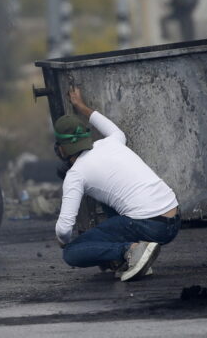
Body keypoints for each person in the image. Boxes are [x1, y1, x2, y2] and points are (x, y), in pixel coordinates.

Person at [54, 86, 180, 282]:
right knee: (105, 195)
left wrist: (63, 242)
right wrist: (81, 107)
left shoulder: (76, 174)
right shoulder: (113, 141)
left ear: (62, 149)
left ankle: (132, 251)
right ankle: (133, 258)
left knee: (71, 253)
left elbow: (63, 230)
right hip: (174, 218)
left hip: (149, 226)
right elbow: (112, 128)